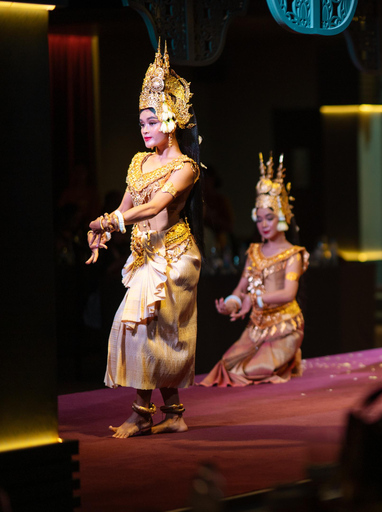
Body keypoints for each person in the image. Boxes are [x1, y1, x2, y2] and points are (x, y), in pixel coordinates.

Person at [85, 42, 203, 438]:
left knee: (145, 331)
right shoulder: (138, 161)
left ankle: (142, 414)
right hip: (145, 255)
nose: (146, 130)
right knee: (145, 332)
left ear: (170, 121)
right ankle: (173, 413)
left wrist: (110, 220)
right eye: (141, 124)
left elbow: (153, 209)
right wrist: (103, 228)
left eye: (151, 122)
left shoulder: (185, 167)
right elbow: (128, 204)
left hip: (174, 256)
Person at [200, 154, 309, 387]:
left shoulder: (293, 255)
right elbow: (241, 288)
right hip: (256, 326)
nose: (264, 224)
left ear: (281, 218)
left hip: (285, 325)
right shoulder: (254, 252)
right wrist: (232, 302)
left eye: (269, 218)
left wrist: (254, 299)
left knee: (252, 370)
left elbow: (288, 294)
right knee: (227, 367)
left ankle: (288, 355)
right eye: (259, 219)